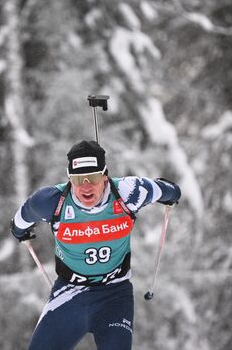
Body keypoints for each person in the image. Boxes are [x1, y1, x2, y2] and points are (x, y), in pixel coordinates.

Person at [10, 140, 181, 350]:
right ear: (69, 178)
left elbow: (165, 190)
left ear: (105, 175)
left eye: (92, 177)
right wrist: (20, 231)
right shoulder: (51, 202)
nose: (86, 186)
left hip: (115, 296)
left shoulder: (128, 193)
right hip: (70, 293)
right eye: (78, 179)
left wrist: (172, 193)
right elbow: (21, 218)